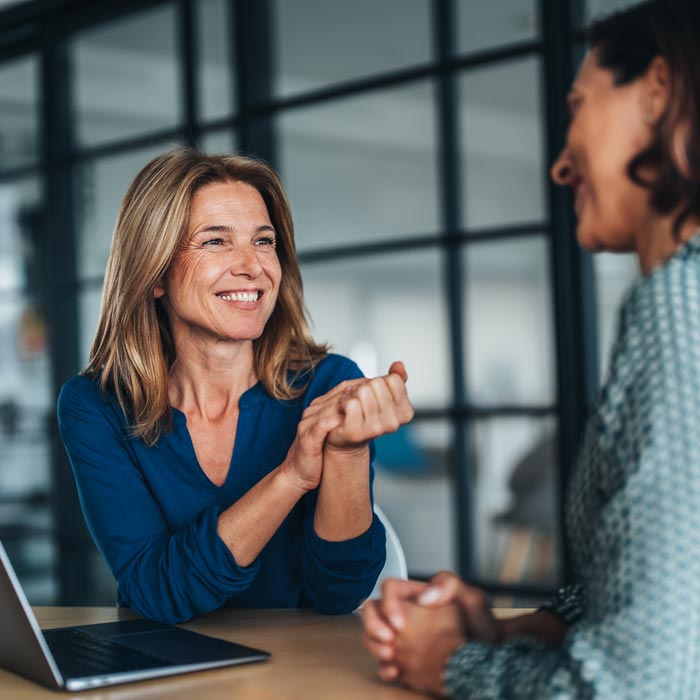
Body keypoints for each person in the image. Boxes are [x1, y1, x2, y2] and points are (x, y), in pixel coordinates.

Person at [362, 1, 700, 697]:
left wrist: (454, 666)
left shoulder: (677, 312)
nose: (559, 166)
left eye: (578, 106)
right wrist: (517, 632)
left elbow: (643, 685)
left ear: (658, 90)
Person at [58, 148, 414, 624]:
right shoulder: (96, 407)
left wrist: (347, 454)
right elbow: (156, 594)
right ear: (155, 272)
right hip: (164, 673)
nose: (252, 266)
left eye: (263, 242)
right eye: (215, 242)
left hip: (300, 674)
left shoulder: (329, 385)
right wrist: (290, 477)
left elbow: (339, 592)